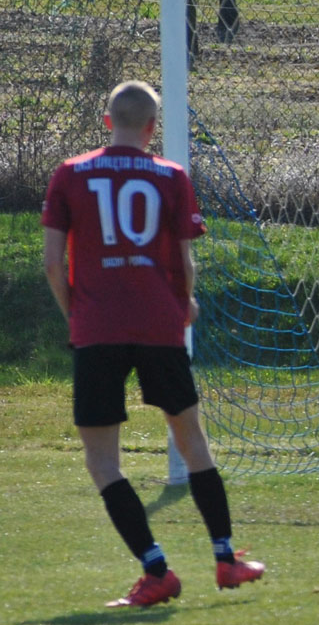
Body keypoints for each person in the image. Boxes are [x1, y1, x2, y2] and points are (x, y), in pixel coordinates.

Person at [41, 80, 265, 607]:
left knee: (102, 460)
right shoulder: (171, 175)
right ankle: (226, 558)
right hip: (159, 326)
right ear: (152, 127)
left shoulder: (70, 173)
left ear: (106, 120)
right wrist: (184, 304)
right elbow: (185, 261)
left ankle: (156, 569)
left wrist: (77, 315)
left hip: (98, 329)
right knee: (192, 441)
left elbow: (52, 263)